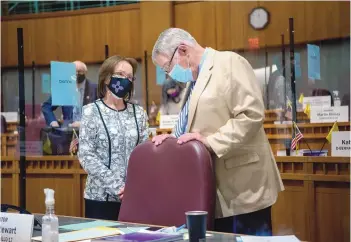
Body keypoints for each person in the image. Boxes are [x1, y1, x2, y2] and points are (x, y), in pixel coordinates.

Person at [151, 28, 284, 235]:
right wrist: (174, 139)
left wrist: (210, 142)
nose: (169, 74)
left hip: (242, 189)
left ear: (183, 50)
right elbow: (198, 124)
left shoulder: (229, 63)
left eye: (167, 67)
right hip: (213, 190)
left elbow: (251, 115)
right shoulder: (192, 81)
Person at [78, 55, 149, 220]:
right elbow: (86, 155)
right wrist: (117, 186)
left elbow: (145, 153)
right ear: (107, 77)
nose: (126, 80)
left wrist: (136, 186)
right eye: (121, 74)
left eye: (130, 77)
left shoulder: (138, 113)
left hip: (134, 196)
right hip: (100, 198)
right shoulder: (91, 111)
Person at [41, 61, 98, 128]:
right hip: (68, 130)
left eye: (79, 71)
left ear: (85, 72)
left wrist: (84, 124)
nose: (76, 73)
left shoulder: (96, 89)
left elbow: (103, 113)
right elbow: (46, 106)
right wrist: (53, 122)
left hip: (89, 129)